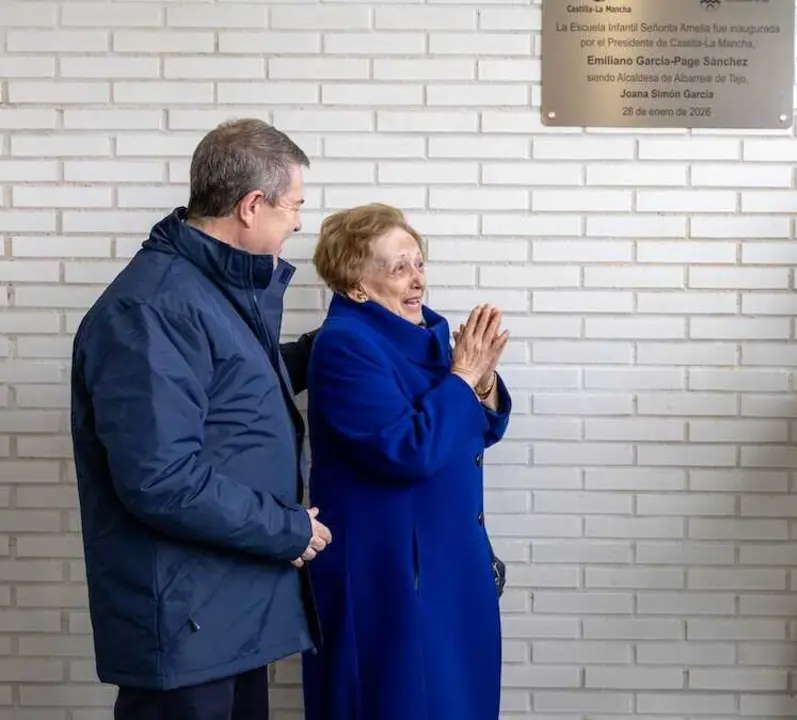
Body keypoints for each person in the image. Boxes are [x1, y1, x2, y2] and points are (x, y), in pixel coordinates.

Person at [70, 118, 331, 720]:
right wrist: (286, 529)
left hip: (225, 615)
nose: (298, 221)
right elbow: (160, 477)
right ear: (251, 205)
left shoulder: (205, 291)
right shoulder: (153, 307)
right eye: (294, 206)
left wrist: (342, 347)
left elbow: (234, 392)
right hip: (187, 621)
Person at [300, 203, 512, 720]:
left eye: (418, 263)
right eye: (399, 268)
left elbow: (479, 431)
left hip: (450, 566)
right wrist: (463, 379)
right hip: (390, 577)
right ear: (355, 286)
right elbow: (407, 451)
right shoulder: (345, 347)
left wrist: (480, 384)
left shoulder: (431, 336)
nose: (417, 280)